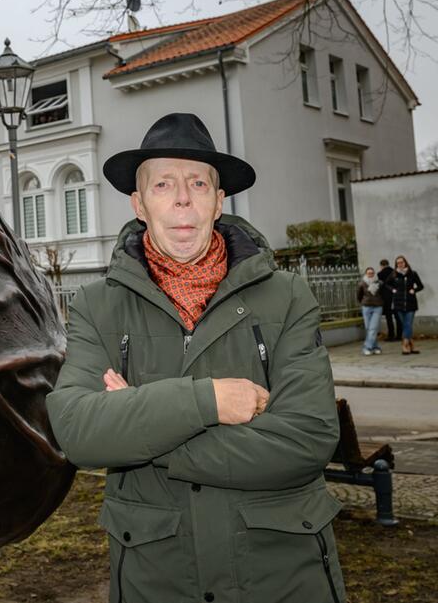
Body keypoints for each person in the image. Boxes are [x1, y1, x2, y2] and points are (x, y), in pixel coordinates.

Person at [47, 113, 344, 603]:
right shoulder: (97, 306)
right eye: (163, 184)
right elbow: (78, 431)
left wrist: (144, 431)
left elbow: (308, 439)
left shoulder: (288, 297)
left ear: (218, 200)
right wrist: (208, 402)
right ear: (139, 204)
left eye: (198, 183)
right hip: (158, 578)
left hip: (282, 575)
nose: (182, 197)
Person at [386, 255, 425, 355]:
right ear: (396, 264)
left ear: (405, 263)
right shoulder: (394, 274)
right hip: (398, 303)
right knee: (405, 325)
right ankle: (412, 344)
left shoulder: (412, 273)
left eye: (402, 262)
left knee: (407, 324)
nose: (400, 264)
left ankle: (405, 344)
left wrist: (414, 290)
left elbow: (421, 286)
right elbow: (386, 284)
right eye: (398, 263)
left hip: (410, 303)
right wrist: (393, 290)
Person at [356, 267, 384, 356]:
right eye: (369, 273)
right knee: (369, 328)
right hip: (366, 307)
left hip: (377, 307)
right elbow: (359, 295)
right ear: (366, 274)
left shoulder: (379, 283)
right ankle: (375, 347)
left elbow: (384, 294)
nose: (370, 274)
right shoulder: (362, 283)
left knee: (373, 328)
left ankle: (367, 347)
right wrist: (363, 302)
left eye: (372, 273)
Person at [377, 259, 398, 341]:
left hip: (386, 297)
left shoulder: (380, 274)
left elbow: (381, 286)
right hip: (395, 295)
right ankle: (399, 334)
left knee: (388, 316)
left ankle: (391, 335)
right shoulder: (394, 272)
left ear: (381, 265)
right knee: (397, 316)